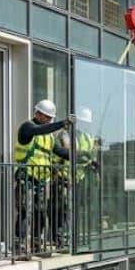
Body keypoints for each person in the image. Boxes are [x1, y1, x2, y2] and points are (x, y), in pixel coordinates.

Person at [14, 99, 73, 255]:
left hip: (41, 180)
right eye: (46, 116)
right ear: (38, 113)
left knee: (40, 211)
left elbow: (59, 152)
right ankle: (20, 245)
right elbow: (39, 130)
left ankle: (36, 243)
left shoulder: (49, 137)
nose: (48, 120)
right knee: (25, 211)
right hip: (26, 177)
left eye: (50, 118)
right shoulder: (27, 128)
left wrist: (78, 156)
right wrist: (62, 123)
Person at [52, 107, 99, 249]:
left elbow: (92, 155)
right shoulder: (64, 134)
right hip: (62, 177)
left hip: (77, 178)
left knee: (72, 210)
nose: (84, 125)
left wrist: (93, 161)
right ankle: (60, 239)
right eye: (82, 122)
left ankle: (70, 237)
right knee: (62, 209)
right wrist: (83, 154)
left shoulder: (88, 138)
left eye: (86, 123)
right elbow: (67, 148)